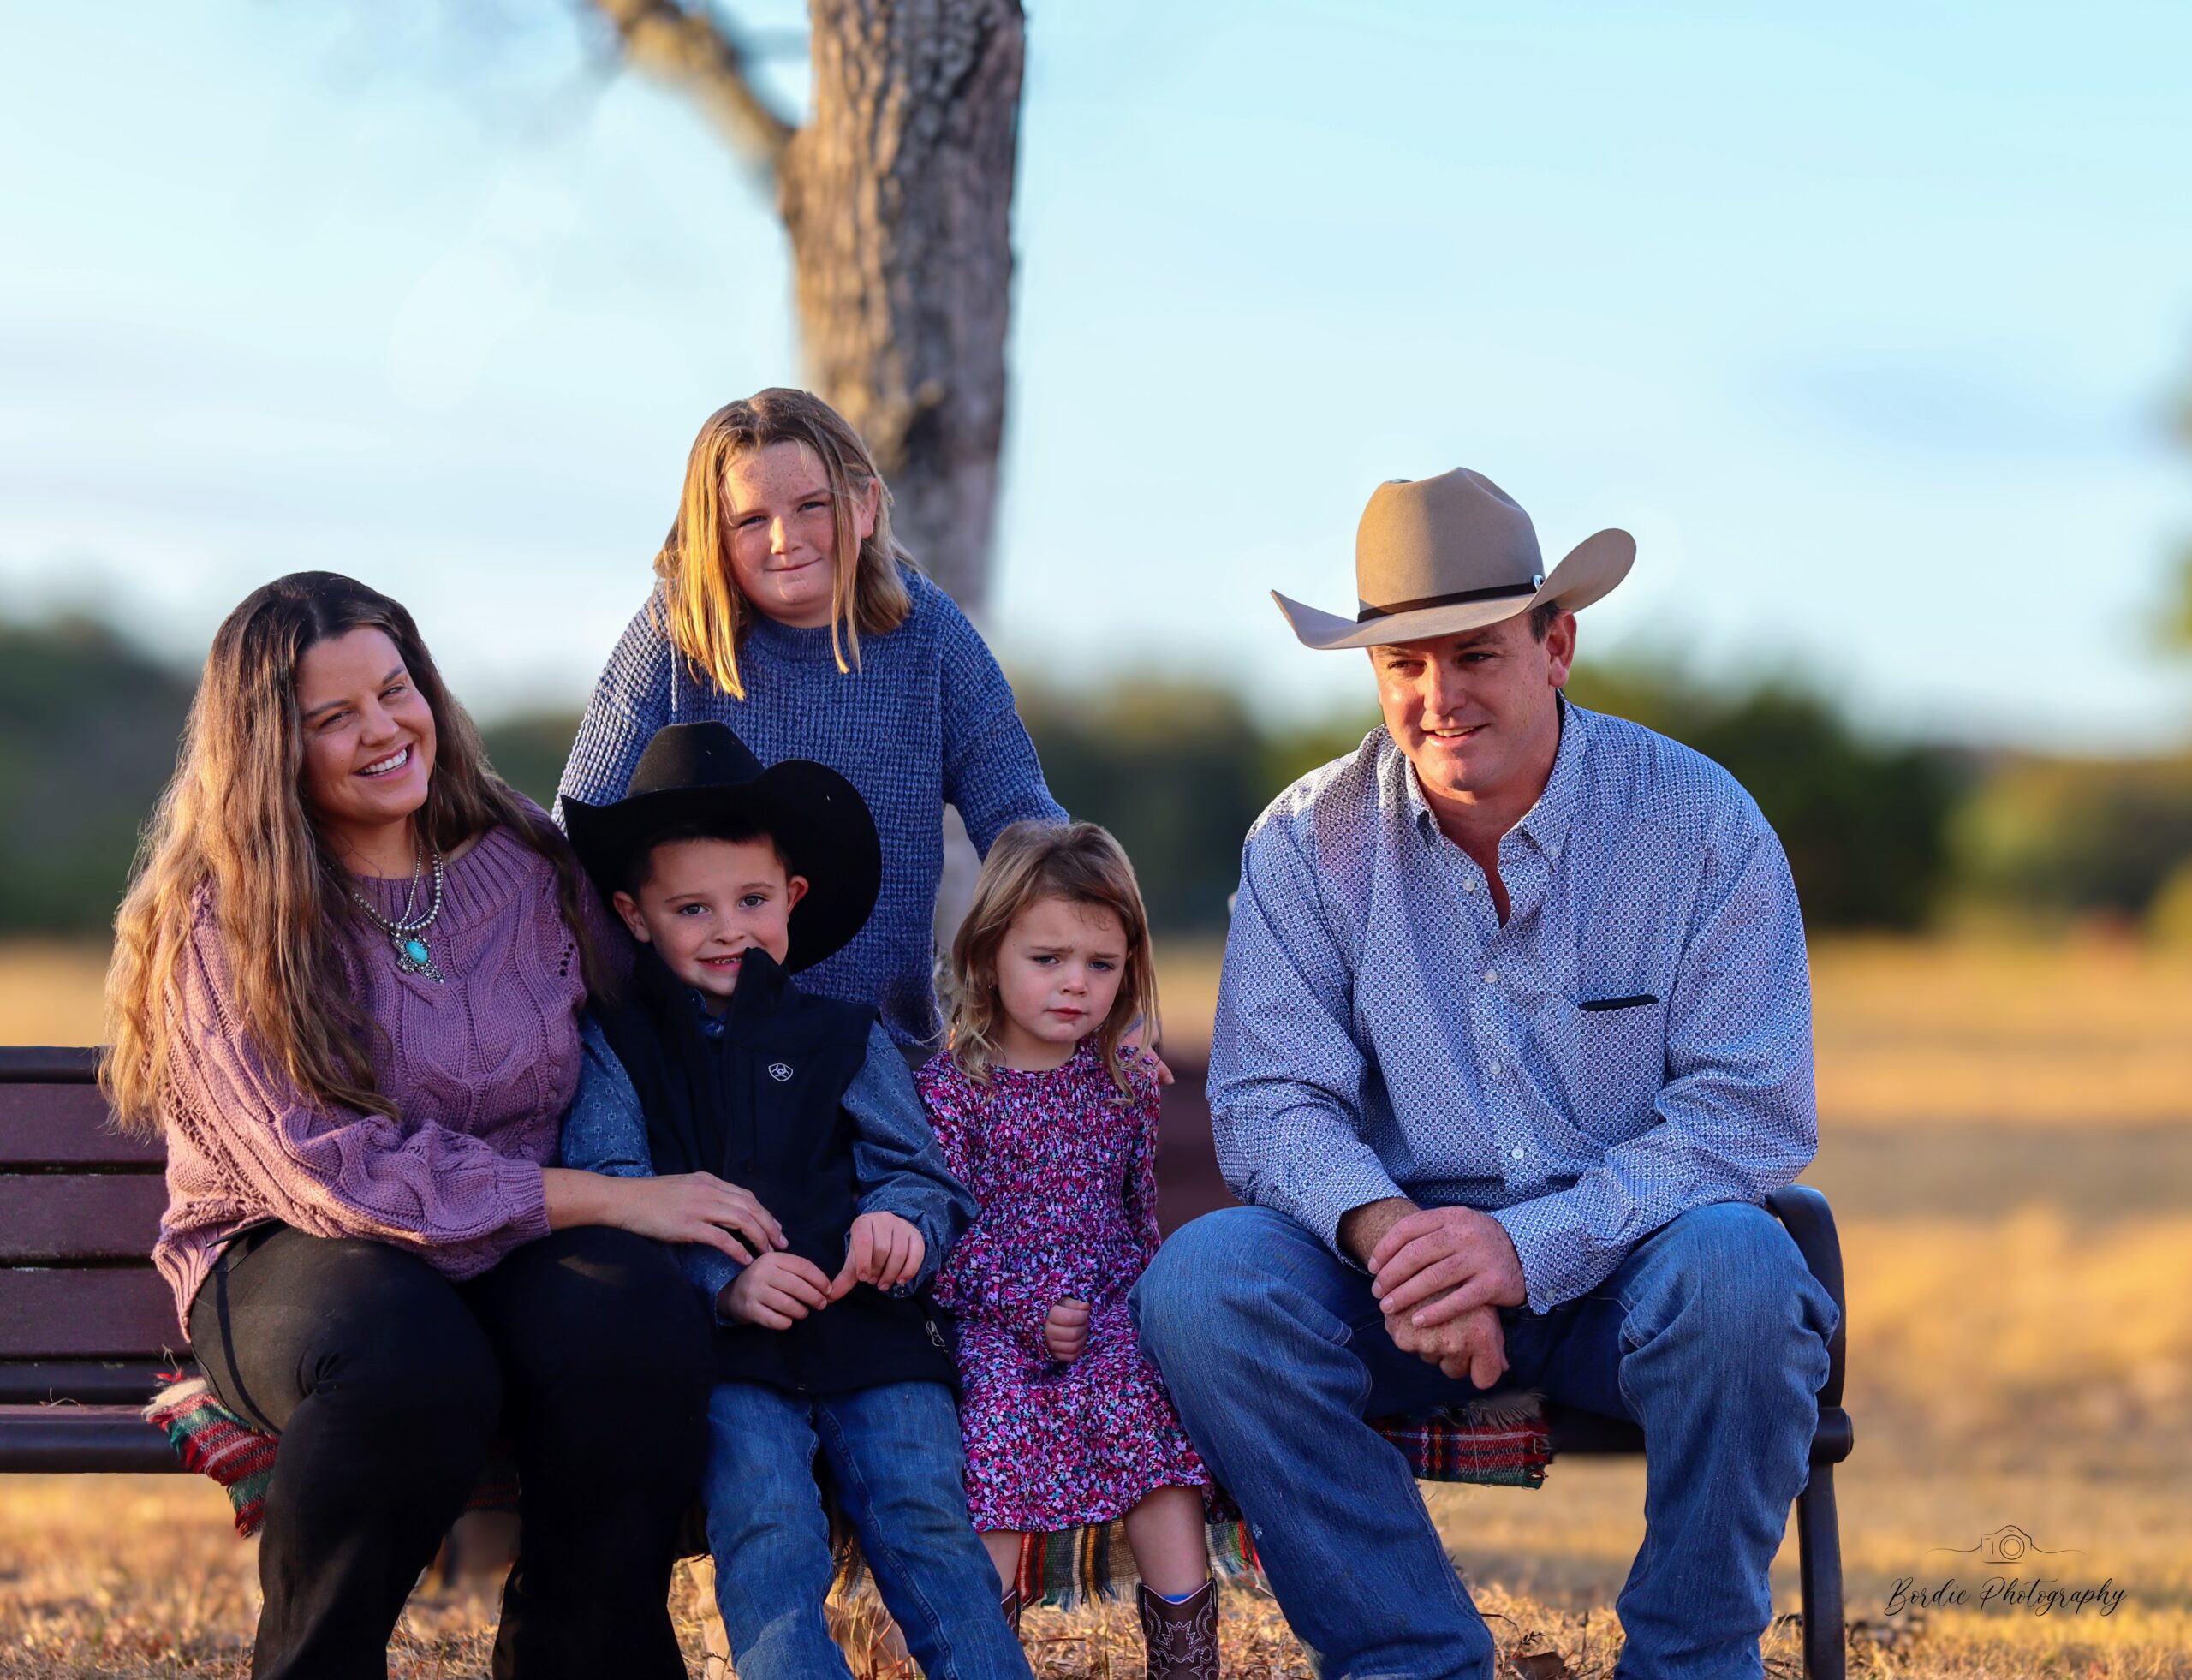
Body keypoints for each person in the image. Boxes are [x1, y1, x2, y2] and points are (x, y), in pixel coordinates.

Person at [1132, 470, 1842, 1680]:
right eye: (1402, 664)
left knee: (1745, 1269)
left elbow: (1746, 1110)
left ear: (1555, 646)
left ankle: (1690, 1662)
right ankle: (1407, 1656)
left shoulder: (1701, 825)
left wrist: (1523, 1249)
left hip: (1630, 1267)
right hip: (1395, 1283)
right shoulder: (1302, 841)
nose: (1438, 696)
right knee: (1205, 1287)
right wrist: (1399, 1244)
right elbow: (1270, 1101)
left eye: (1474, 655)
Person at [104, 573, 754, 1680]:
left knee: (636, 1321)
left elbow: (656, 1010)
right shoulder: (223, 913)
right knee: (409, 1360)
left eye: (394, 690)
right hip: (294, 1244)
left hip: (515, 1241)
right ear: (269, 748)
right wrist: (612, 1197)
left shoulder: (526, 859)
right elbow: (328, 1170)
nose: (383, 729)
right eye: (334, 716)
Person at [557, 719, 1032, 1680]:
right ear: (635, 915)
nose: (728, 928)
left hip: (872, 1326)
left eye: (752, 900)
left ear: (793, 899)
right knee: (765, 1522)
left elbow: (919, 1172)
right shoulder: (617, 1045)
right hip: (727, 1349)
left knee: (926, 1519)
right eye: (691, 908)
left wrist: (900, 1223)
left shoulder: (844, 1035)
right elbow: (613, 1193)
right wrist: (718, 1285)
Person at [557, 387, 1065, 1048]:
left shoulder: (931, 635)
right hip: (689, 1050)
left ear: (864, 506)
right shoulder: (674, 633)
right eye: (750, 520)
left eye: (811, 507)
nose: (784, 539)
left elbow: (1024, 828)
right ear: (714, 535)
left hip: (874, 1049)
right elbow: (573, 839)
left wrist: (1105, 990)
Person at [920, 820, 1217, 1680]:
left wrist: (1147, 1308)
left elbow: (1135, 1212)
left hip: (1109, 1302)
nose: (1075, 983)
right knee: (996, 1423)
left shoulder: (1124, 1080)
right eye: (1046, 959)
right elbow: (944, 1235)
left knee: (1146, 1409)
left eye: (1101, 964)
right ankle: (979, 1657)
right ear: (987, 958)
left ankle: (1186, 1658)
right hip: (993, 1313)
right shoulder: (952, 1090)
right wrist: (1025, 1308)